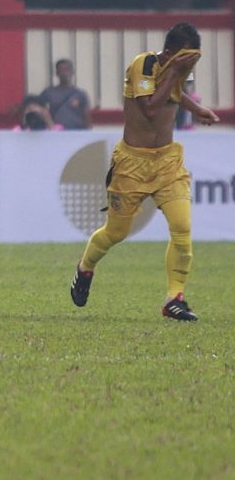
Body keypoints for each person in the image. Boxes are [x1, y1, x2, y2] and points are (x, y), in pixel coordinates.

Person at [69, 23, 218, 321]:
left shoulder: (177, 72)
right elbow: (150, 108)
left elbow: (172, 94)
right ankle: (85, 267)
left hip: (167, 162)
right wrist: (176, 72)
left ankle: (175, 298)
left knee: (182, 227)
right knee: (116, 232)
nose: (189, 66)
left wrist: (195, 108)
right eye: (186, 58)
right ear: (172, 52)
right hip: (132, 164)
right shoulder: (144, 64)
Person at [40, 58, 91, 130]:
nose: (64, 73)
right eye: (61, 70)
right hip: (55, 133)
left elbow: (86, 116)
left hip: (76, 132)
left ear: (72, 72)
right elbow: (39, 109)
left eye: (67, 70)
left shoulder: (81, 94)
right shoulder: (48, 93)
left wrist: (88, 133)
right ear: (57, 73)